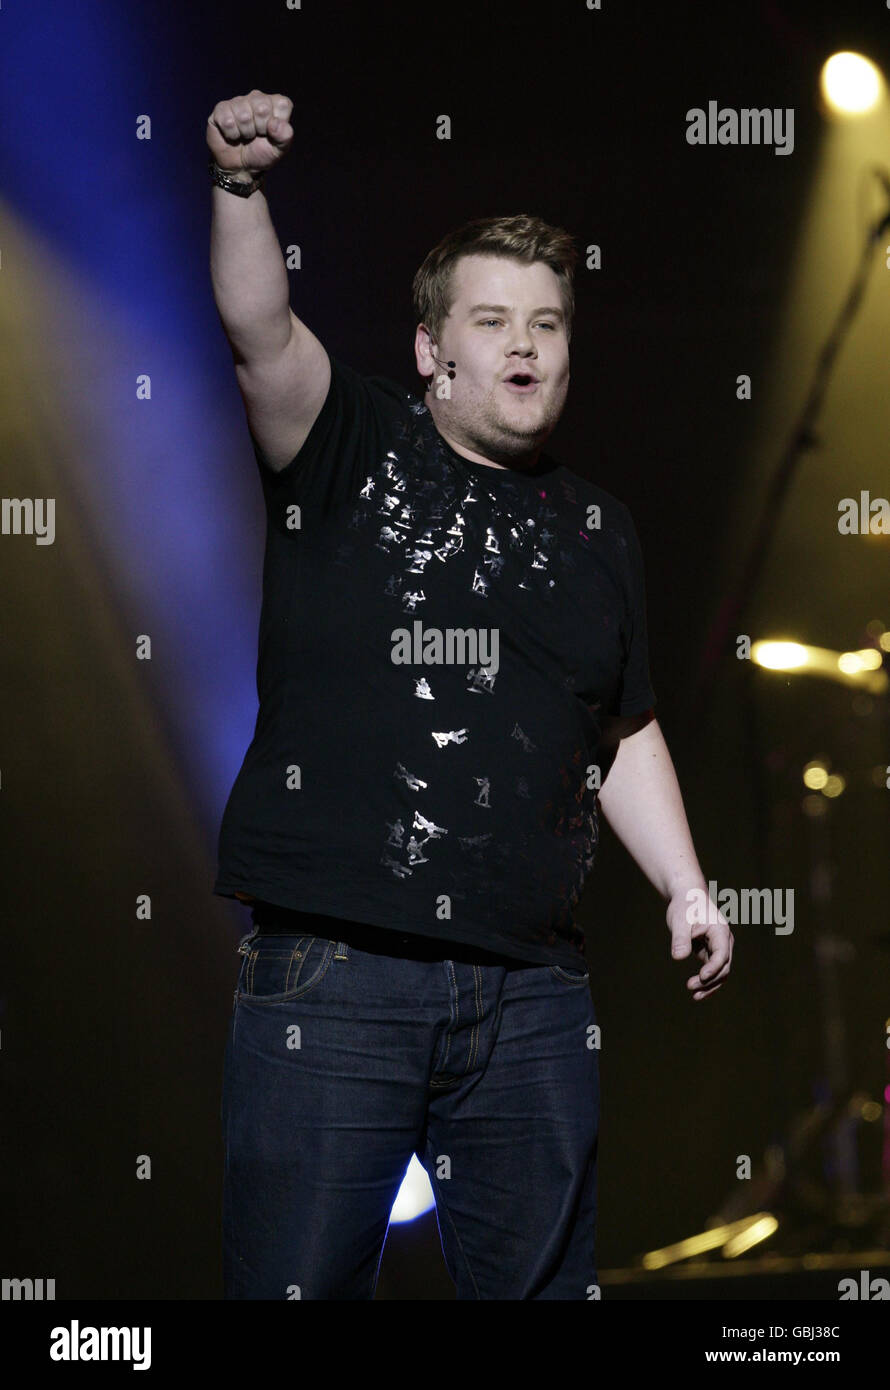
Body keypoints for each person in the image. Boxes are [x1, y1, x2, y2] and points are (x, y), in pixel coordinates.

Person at [207, 89, 733, 1301]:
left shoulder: (601, 527)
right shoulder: (342, 443)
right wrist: (238, 186)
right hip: (337, 976)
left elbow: (624, 725)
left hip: (533, 994)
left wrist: (687, 887)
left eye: (546, 322)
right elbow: (256, 326)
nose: (524, 344)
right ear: (430, 349)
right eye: (491, 319)